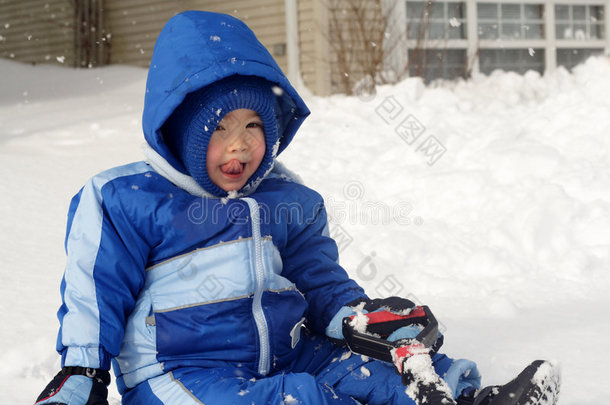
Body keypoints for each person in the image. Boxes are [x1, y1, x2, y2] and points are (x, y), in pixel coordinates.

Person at [34, 10, 559, 405]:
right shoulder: (127, 198)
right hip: (182, 372)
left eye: (254, 127)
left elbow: (317, 279)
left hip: (287, 348)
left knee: (386, 370)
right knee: (296, 399)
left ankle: (464, 399)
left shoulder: (287, 198)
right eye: (219, 128)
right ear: (179, 128)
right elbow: (94, 294)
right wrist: (81, 372)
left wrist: (358, 322)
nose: (239, 146)